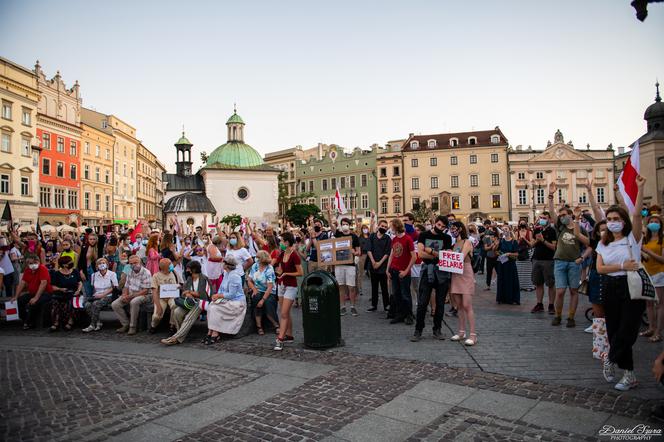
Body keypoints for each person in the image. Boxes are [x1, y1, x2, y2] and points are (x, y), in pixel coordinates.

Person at [597, 175, 646, 391]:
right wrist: (622, 266)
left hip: (631, 286)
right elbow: (600, 268)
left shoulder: (632, 239)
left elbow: (637, 215)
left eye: (616, 218)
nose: (612, 222)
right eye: (609, 219)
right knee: (614, 329)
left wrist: (640, 188)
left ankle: (610, 357)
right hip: (610, 287)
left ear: (623, 220)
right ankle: (629, 374)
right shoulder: (604, 243)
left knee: (627, 330)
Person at [549, 182, 589, 327]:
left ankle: (571, 317)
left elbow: (590, 246)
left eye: (564, 215)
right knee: (560, 292)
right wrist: (551, 195)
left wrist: (582, 257)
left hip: (574, 263)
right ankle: (558, 315)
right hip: (559, 262)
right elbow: (552, 212)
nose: (561, 217)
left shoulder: (580, 229)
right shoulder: (560, 227)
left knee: (573, 291)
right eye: (561, 216)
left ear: (571, 215)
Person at [411, 215, 452, 341]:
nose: (440, 228)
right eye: (439, 225)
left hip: (442, 272)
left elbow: (447, 256)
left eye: (443, 227)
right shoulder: (423, 235)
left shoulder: (447, 238)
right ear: (435, 223)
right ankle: (418, 330)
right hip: (426, 270)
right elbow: (421, 253)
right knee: (422, 302)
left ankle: (437, 329)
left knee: (440, 303)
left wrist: (432, 252)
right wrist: (438, 255)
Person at [161, 260, 211, 346]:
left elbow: (202, 294)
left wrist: (190, 292)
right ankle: (181, 333)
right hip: (189, 301)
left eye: (188, 268)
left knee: (189, 317)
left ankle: (175, 338)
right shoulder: (189, 278)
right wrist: (187, 292)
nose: (187, 270)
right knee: (177, 312)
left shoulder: (203, 278)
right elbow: (185, 292)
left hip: (200, 303)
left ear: (194, 269)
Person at [204, 255, 247, 345]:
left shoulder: (234, 276)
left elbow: (232, 294)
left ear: (227, 265)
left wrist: (219, 295)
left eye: (223, 262)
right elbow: (221, 289)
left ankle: (215, 333)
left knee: (215, 308)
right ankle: (210, 331)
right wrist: (216, 296)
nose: (221, 263)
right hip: (228, 300)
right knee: (211, 305)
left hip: (237, 302)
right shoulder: (226, 273)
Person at [448, 222, 477, 346]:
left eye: (454, 228)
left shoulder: (467, 242)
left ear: (460, 229)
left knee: (467, 305)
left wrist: (448, 255)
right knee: (458, 305)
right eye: (451, 229)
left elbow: (461, 256)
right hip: (456, 273)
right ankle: (461, 332)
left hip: (465, 271)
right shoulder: (454, 244)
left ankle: (473, 335)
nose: (452, 231)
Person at [274, 233, 303, 350]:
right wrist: (278, 271)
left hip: (291, 286)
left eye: (281, 241)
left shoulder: (294, 255)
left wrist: (286, 273)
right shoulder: (282, 253)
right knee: (284, 312)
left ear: (287, 242)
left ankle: (280, 338)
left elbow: (300, 273)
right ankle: (289, 335)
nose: (280, 243)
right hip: (281, 285)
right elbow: (279, 267)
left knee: (284, 313)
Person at [111, 255, 152, 335]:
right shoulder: (130, 272)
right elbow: (126, 286)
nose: (133, 265)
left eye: (135, 263)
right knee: (115, 304)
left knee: (134, 302)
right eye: (131, 263)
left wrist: (130, 296)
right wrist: (124, 295)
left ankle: (133, 327)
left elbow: (145, 290)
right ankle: (125, 324)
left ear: (140, 262)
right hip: (131, 294)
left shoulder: (146, 272)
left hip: (145, 295)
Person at [329, 215, 361, 316]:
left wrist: (354, 252)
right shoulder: (338, 234)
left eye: (346, 224)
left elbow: (359, 252)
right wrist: (329, 213)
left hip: (350, 265)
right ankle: (342, 307)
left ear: (349, 226)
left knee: (351, 287)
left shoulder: (354, 236)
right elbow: (331, 225)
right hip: (339, 265)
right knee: (341, 287)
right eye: (343, 224)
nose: (344, 226)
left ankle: (352, 307)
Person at [12, 254, 52, 330]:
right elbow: (22, 283)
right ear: (27, 264)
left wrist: (36, 297)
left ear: (38, 262)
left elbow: (43, 283)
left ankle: (30, 322)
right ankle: (25, 320)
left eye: (35, 262)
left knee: (34, 303)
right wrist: (16, 296)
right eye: (30, 263)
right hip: (33, 293)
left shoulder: (42, 269)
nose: (33, 265)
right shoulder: (27, 270)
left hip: (45, 293)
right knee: (19, 300)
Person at [641, 214, 664, 342]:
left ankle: (658, 332)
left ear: (660, 225)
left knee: (660, 304)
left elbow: (662, 259)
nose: (654, 223)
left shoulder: (662, 239)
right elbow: (645, 256)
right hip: (647, 273)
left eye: (656, 221)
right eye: (651, 221)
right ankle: (651, 327)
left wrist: (648, 252)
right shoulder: (646, 239)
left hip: (659, 274)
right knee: (648, 304)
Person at [529, 212, 557, 314]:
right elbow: (531, 245)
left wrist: (543, 240)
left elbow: (554, 247)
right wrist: (537, 240)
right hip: (536, 259)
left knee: (550, 283)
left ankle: (551, 305)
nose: (542, 219)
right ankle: (539, 304)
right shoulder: (536, 230)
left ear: (549, 219)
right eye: (540, 217)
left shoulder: (552, 231)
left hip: (548, 260)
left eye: (544, 218)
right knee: (538, 283)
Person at [82, 257, 118, 332]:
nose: (101, 265)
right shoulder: (94, 275)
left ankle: (92, 325)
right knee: (87, 304)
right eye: (99, 263)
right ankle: (98, 322)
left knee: (96, 304)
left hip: (108, 296)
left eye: (103, 263)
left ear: (107, 265)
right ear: (96, 266)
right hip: (97, 295)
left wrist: (102, 295)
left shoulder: (112, 274)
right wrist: (95, 295)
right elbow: (94, 288)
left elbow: (114, 287)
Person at [247, 250, 279, 335]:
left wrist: (263, 300)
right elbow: (249, 280)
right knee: (256, 298)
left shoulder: (269, 268)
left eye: (257, 257)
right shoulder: (255, 266)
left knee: (268, 302)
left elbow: (270, 286)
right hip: (258, 289)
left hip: (269, 291)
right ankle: (259, 326)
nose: (255, 259)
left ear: (262, 258)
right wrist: (254, 289)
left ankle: (276, 325)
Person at [49, 255, 83, 331]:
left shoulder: (75, 271)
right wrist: (60, 289)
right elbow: (53, 286)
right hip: (61, 292)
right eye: (70, 262)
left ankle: (70, 321)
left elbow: (80, 282)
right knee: (55, 302)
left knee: (71, 302)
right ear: (64, 265)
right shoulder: (56, 274)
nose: (72, 263)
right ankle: (56, 322)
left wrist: (78, 290)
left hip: (74, 293)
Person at [367, 218, 391, 312]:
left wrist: (379, 263)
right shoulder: (372, 236)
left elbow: (387, 253)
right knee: (374, 286)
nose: (383, 228)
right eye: (382, 226)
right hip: (373, 265)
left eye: (385, 227)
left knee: (384, 287)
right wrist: (373, 262)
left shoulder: (387, 238)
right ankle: (374, 305)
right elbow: (369, 249)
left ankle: (386, 305)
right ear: (378, 226)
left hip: (383, 266)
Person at [150, 258, 179, 333]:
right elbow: (154, 292)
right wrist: (158, 306)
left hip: (172, 296)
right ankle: (153, 326)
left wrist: (178, 287)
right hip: (161, 298)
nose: (172, 265)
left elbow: (179, 284)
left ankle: (172, 325)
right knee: (157, 316)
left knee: (175, 306)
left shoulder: (174, 273)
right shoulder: (156, 276)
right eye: (170, 264)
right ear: (165, 267)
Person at [496, 227, 520, 305]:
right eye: (503, 229)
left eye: (506, 229)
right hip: (502, 263)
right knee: (502, 280)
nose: (504, 230)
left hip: (510, 264)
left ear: (509, 230)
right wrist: (499, 253)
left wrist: (509, 254)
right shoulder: (501, 241)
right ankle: (502, 298)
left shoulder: (514, 241)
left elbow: (517, 254)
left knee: (511, 280)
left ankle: (511, 298)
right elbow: (496, 251)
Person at [516, 222, 534, 291]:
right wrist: (520, 239)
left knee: (528, 270)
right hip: (520, 252)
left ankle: (528, 286)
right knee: (519, 270)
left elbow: (531, 244)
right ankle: (520, 285)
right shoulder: (517, 232)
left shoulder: (529, 232)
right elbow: (516, 244)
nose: (522, 225)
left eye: (523, 223)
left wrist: (525, 239)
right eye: (521, 223)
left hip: (527, 252)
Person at [483, 226, 499, 290]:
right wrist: (491, 246)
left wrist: (496, 244)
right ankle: (488, 285)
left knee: (499, 272)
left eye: (492, 230)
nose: (491, 231)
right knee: (489, 272)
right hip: (489, 257)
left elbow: (498, 249)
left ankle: (501, 285)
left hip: (497, 257)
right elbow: (485, 248)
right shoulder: (486, 239)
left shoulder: (498, 239)